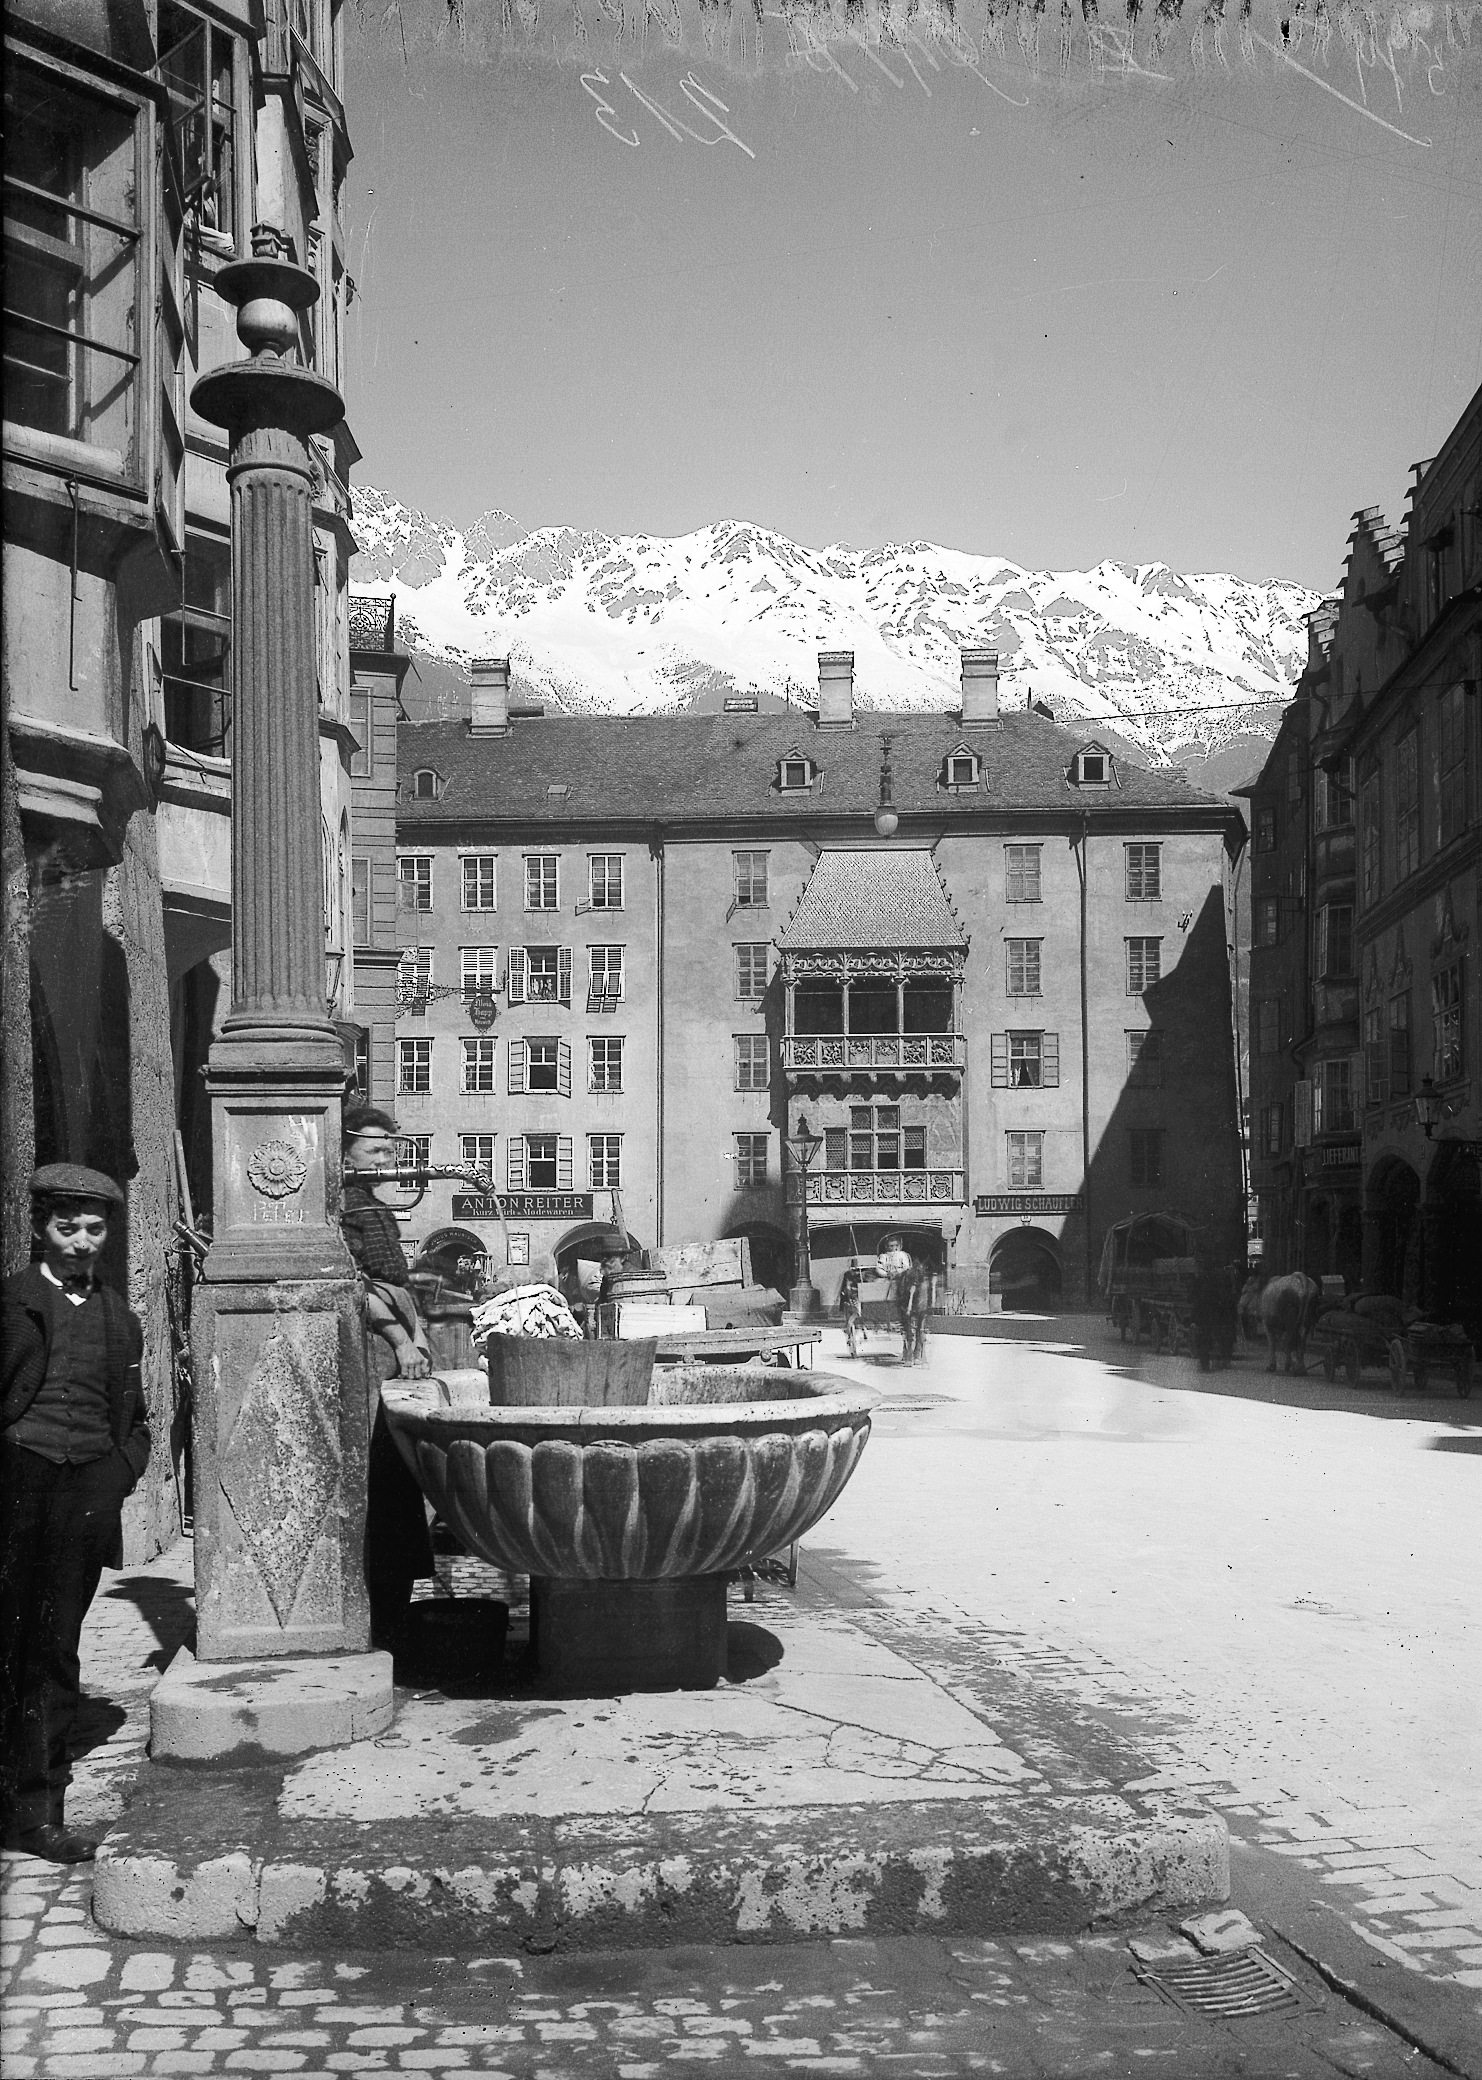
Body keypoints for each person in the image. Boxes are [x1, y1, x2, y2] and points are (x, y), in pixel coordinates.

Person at [2, 1166, 151, 1862]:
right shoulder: (13, 1304)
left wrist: (117, 1475)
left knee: (56, 1643)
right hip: (17, 1484)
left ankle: (39, 1813)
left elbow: (137, 1419)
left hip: (86, 1492)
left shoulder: (121, 1317)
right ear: (41, 1227)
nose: (82, 1241)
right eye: (68, 1227)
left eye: (95, 1229)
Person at [341, 1106, 435, 1650]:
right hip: (371, 1352)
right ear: (344, 1153)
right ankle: (380, 1617)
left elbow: (397, 1284)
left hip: (395, 1345)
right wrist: (402, 1339)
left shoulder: (375, 1208)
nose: (390, 1159)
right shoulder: (346, 1208)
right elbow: (360, 1286)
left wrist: (416, 1332)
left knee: (398, 1480)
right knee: (380, 1475)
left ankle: (395, 1613)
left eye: (391, 1149)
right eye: (377, 1150)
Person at [839, 1263, 865, 1359]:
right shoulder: (849, 1277)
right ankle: (850, 1329)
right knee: (853, 1313)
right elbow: (847, 1289)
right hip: (853, 1299)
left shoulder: (865, 1275)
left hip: (860, 1298)